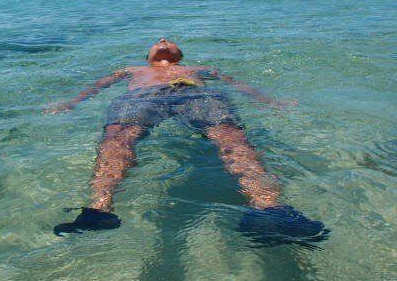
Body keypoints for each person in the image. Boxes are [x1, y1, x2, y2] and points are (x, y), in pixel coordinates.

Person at [47, 38, 329, 247]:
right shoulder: (131, 70)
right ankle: (99, 209)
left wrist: (268, 100)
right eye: (157, 42)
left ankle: (269, 208)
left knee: (231, 137)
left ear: (180, 55)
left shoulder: (200, 68)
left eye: (169, 41)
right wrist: (71, 102)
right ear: (148, 57)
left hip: (197, 95)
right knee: (118, 138)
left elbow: (236, 84)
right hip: (141, 96)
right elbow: (98, 85)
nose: (163, 41)